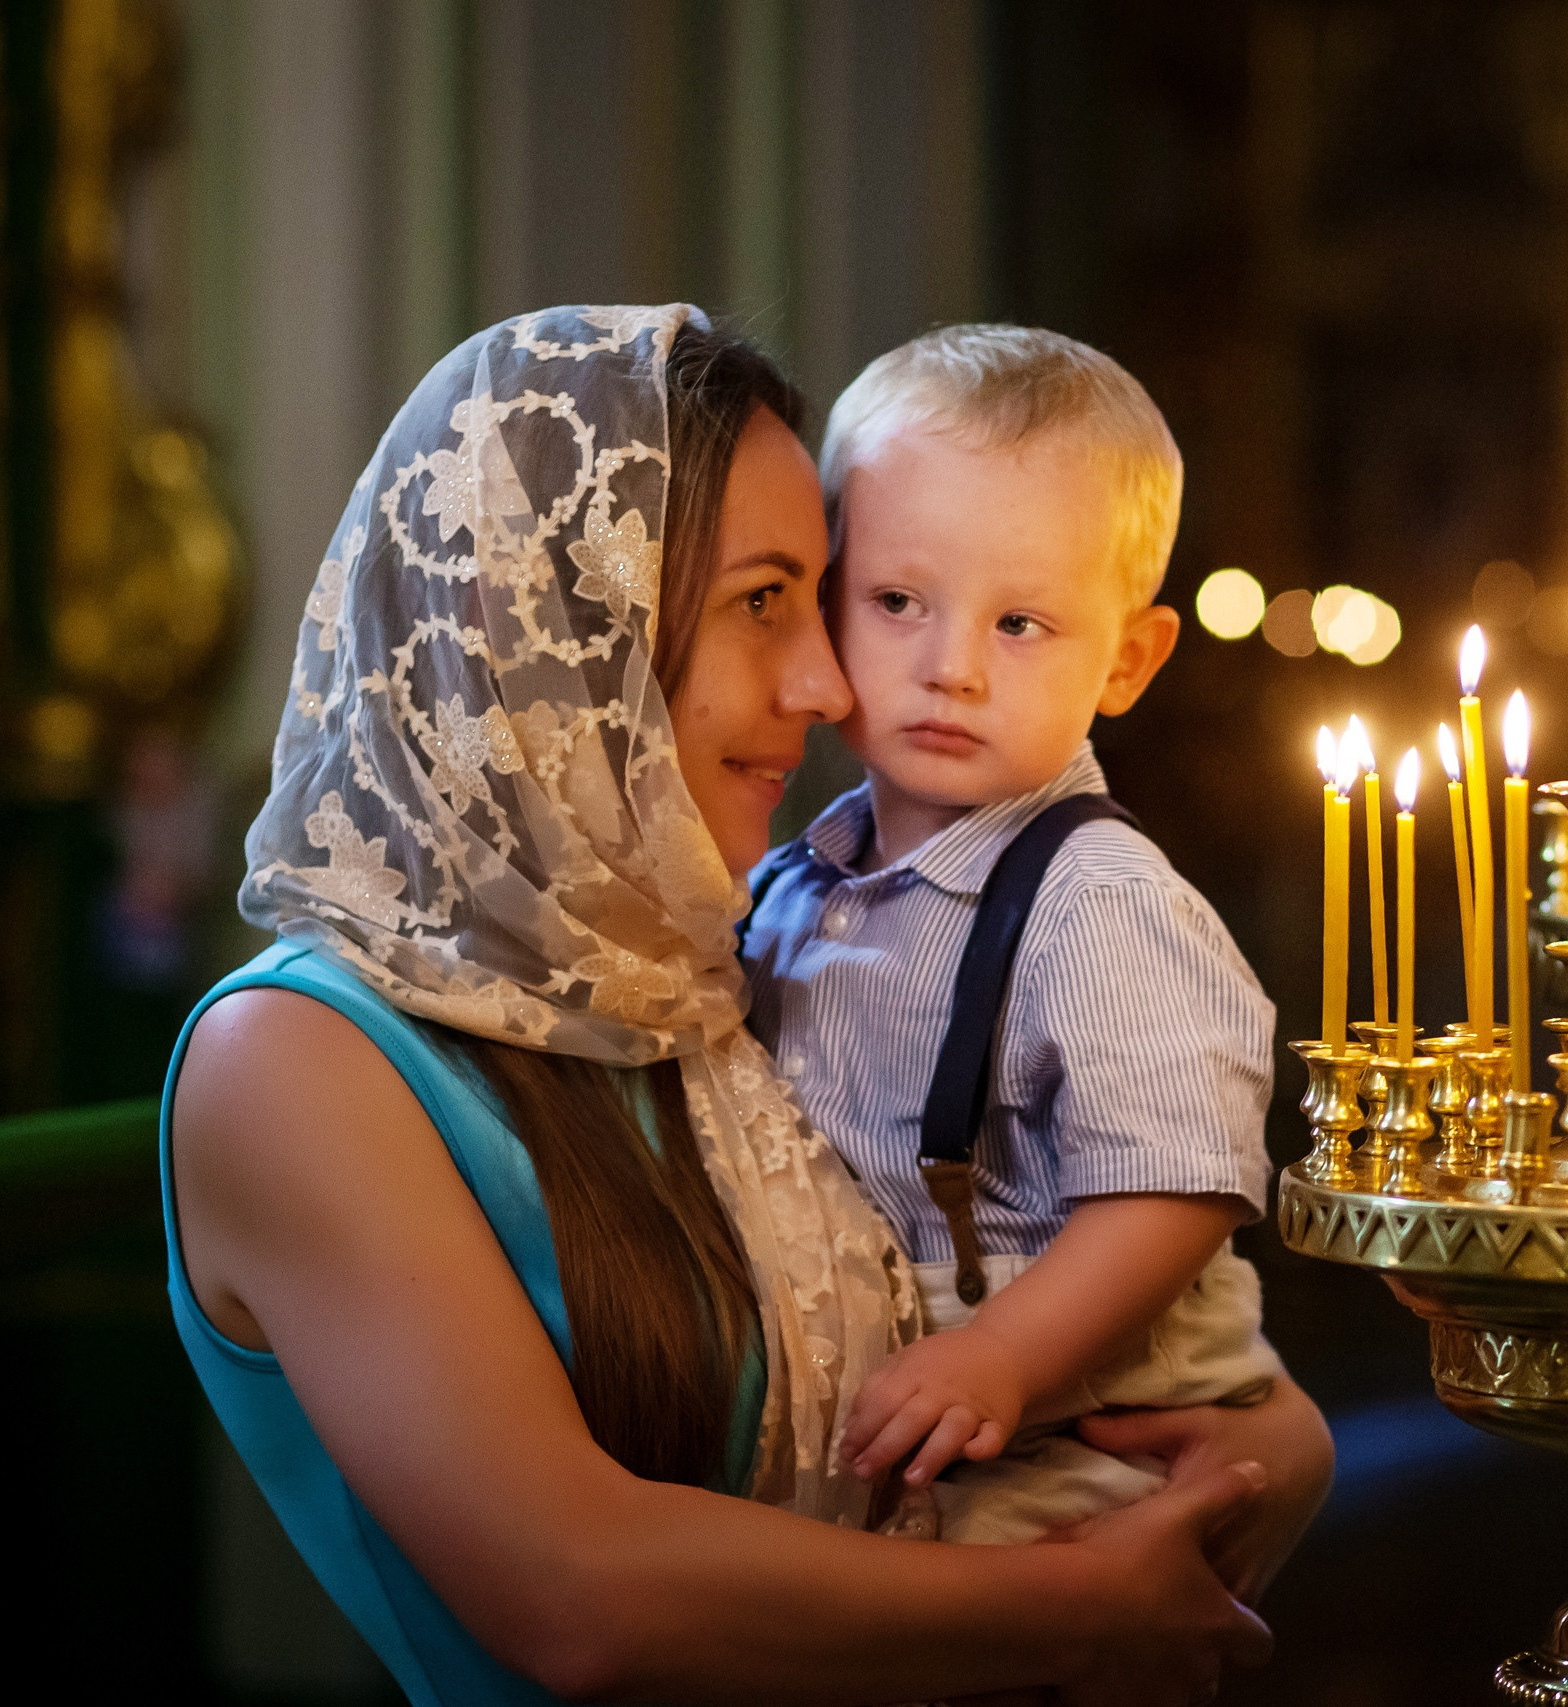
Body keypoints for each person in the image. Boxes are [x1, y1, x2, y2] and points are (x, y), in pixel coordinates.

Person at [164, 304, 1330, 1706]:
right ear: (572, 629)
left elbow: (987, 1286)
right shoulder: (293, 1052)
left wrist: (1272, 1434)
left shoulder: (693, 961)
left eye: (821, 595)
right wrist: (1079, 1600)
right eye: (770, 600)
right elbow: (580, 1598)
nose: (835, 679)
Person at [741, 326, 1281, 1547]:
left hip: (1066, 1432)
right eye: (896, 603)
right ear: (828, 601)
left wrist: (1001, 1353)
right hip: (881, 1414)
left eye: (1020, 625)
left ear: (1129, 660)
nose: (950, 669)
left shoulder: (1098, 900)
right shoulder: (793, 876)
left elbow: (1173, 1190)